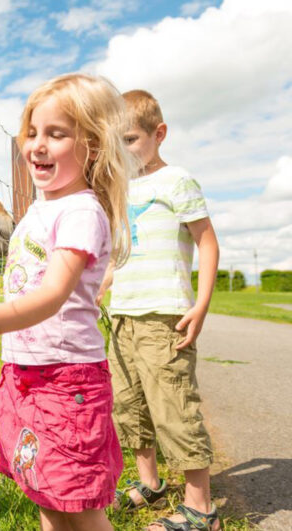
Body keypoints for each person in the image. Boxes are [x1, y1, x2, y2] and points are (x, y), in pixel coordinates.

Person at [0, 73, 134, 531]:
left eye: (56, 134)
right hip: (23, 374)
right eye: (32, 132)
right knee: (45, 492)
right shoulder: (38, 209)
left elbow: (52, 295)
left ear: (91, 146)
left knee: (81, 510)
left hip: (64, 379)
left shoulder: (80, 211)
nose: (37, 145)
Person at [96, 89, 221, 531]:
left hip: (163, 315)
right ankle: (151, 482)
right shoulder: (123, 189)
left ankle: (202, 508)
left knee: (173, 406)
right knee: (129, 405)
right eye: (117, 144)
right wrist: (99, 288)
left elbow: (207, 241)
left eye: (130, 140)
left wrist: (201, 304)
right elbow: (119, 257)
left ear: (158, 134)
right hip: (124, 316)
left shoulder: (177, 181)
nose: (124, 152)